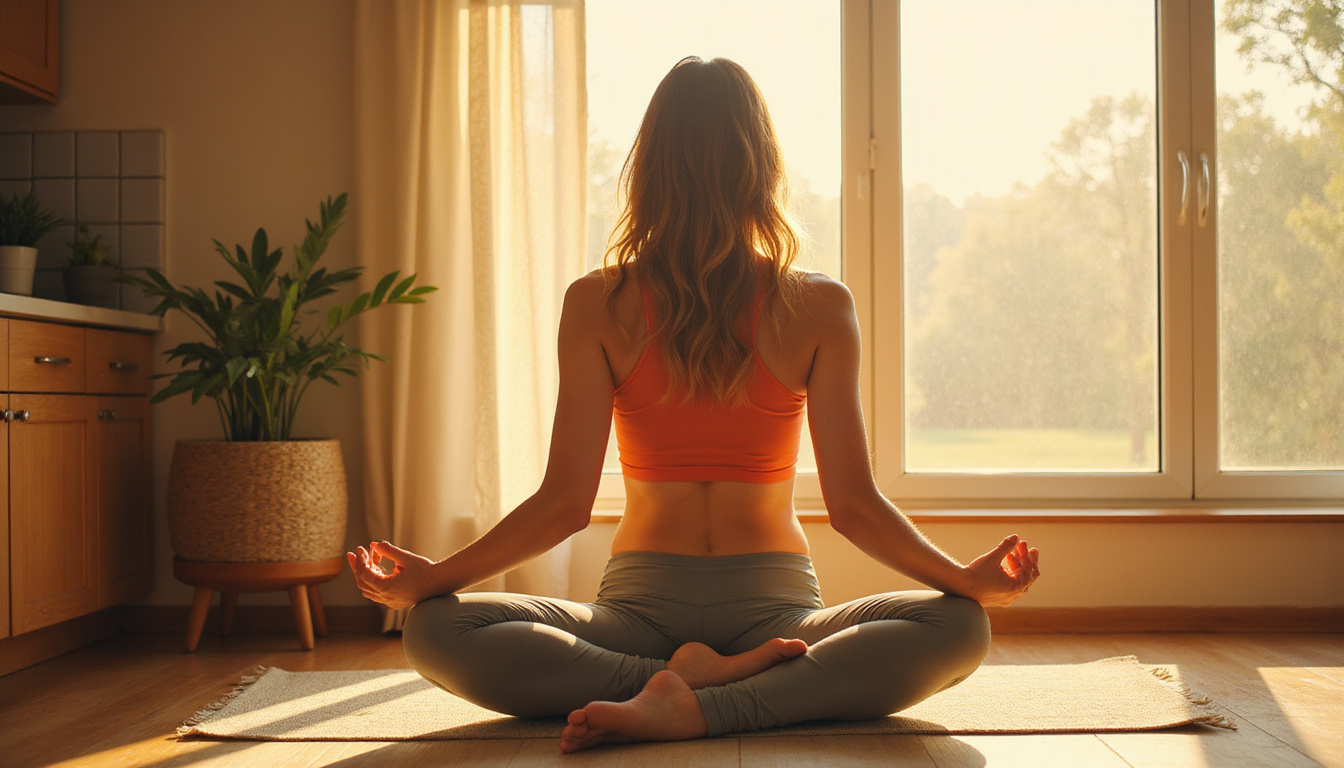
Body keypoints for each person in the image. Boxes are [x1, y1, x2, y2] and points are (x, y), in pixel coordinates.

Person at [347, 55, 1040, 753]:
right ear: (761, 168)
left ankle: (675, 694)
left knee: (435, 628)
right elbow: (855, 509)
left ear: (648, 169)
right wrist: (962, 580)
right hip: (741, 612)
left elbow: (562, 505)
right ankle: (730, 691)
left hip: (686, 612)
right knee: (962, 627)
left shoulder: (601, 303)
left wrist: (435, 579)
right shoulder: (816, 306)